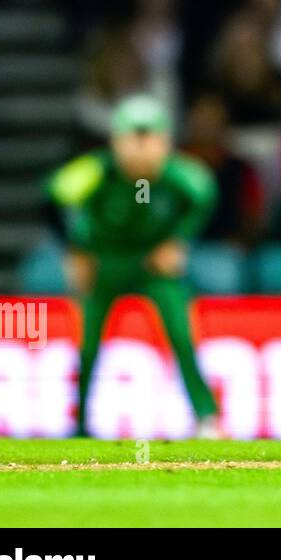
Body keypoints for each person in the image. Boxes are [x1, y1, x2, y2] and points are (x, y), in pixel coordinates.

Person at [44, 94, 222, 437]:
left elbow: (206, 197)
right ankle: (78, 423)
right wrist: (74, 252)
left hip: (153, 266)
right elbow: (50, 196)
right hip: (103, 265)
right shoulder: (96, 170)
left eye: (150, 139)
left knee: (182, 336)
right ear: (116, 142)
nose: (141, 150)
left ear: (165, 142)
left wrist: (178, 241)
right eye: (133, 139)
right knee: (87, 345)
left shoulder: (182, 176)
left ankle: (206, 417)